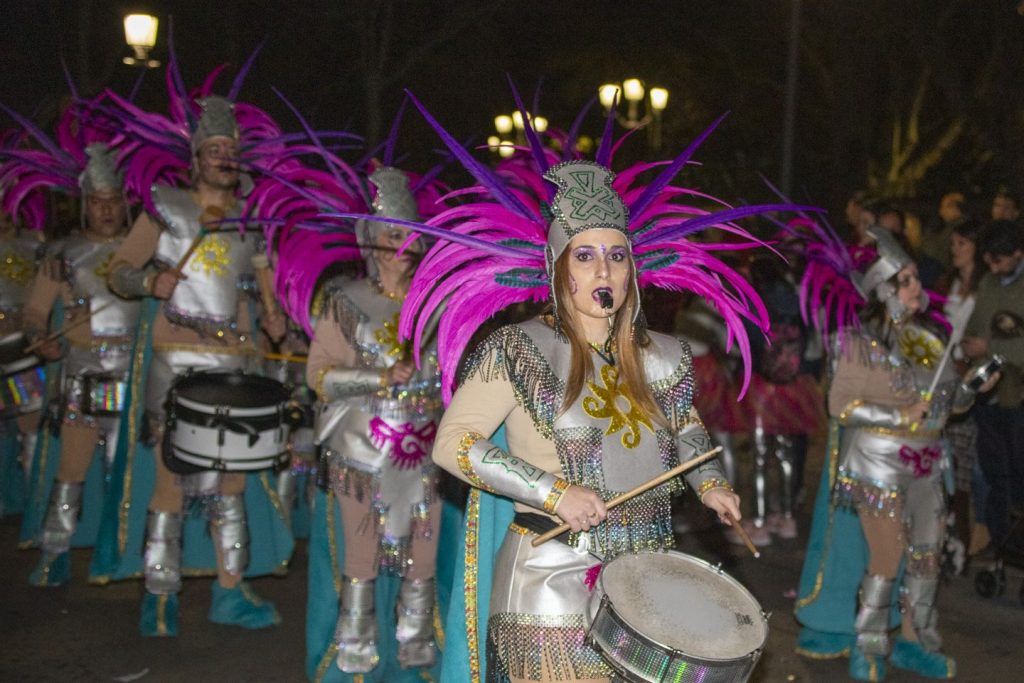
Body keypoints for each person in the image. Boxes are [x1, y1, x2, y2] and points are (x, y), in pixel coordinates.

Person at [103, 93, 292, 636]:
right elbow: (118, 271)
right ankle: (159, 595)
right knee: (173, 482)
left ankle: (229, 593)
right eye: (214, 149)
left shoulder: (250, 222)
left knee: (229, 486)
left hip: (233, 368)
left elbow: (263, 287)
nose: (224, 158)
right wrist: (147, 282)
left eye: (231, 149)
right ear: (195, 157)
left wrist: (275, 319)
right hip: (176, 364)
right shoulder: (165, 207)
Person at [796, 226, 995, 680]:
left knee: (926, 557)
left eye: (914, 279)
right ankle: (868, 647)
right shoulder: (856, 341)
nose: (917, 288)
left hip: (929, 466)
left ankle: (917, 642)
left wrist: (971, 389)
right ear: (883, 290)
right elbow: (840, 405)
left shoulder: (930, 339)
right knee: (887, 557)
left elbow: (947, 403)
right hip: (878, 467)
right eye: (906, 281)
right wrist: (902, 415)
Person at [305, 166, 446, 677]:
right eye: (393, 233)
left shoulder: (438, 301)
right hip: (362, 449)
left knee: (423, 556)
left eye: (413, 235)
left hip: (426, 450)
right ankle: (355, 656)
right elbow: (317, 376)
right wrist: (378, 377)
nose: (405, 244)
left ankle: (416, 654)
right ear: (370, 238)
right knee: (361, 554)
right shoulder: (344, 301)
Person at [22, 143, 140, 585]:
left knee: (124, 472)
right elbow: (34, 313)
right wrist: (40, 341)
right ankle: (54, 551)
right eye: (97, 202)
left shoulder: (142, 254)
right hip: (83, 374)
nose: (106, 211)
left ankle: (117, 553)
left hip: (135, 373)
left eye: (113, 202)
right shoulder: (62, 255)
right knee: (70, 469)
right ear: (84, 204)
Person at [961, 219, 1024, 557]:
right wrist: (968, 347)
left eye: (1000, 260)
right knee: (993, 472)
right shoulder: (988, 282)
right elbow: (974, 330)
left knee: (1019, 475)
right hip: (988, 398)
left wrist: (988, 348)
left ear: (1018, 253)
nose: (994, 267)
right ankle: (1001, 545)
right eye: (989, 261)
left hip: (1018, 398)